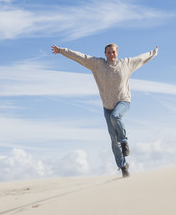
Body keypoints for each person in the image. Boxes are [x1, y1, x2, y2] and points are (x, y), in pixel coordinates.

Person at [51, 43, 158, 177]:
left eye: (113, 52)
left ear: (117, 53)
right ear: (105, 54)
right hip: (107, 107)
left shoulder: (126, 64)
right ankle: (123, 166)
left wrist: (153, 52)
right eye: (108, 52)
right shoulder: (97, 64)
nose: (111, 55)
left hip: (123, 101)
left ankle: (124, 141)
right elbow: (80, 57)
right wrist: (61, 51)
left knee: (115, 117)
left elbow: (141, 58)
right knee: (113, 140)